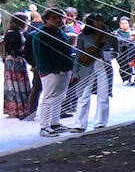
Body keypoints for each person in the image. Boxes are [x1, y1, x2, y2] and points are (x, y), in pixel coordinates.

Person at [33, 9, 74, 137]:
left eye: (60, 18)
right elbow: (40, 56)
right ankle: (44, 126)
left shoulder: (61, 32)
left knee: (60, 97)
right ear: (47, 19)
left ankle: (55, 123)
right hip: (51, 71)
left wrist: (70, 66)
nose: (59, 20)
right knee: (48, 98)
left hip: (65, 68)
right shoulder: (40, 34)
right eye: (55, 18)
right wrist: (51, 69)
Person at [69, 13, 111, 131]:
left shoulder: (108, 36)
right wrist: (75, 72)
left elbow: (116, 52)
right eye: (96, 20)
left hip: (103, 64)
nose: (99, 22)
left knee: (103, 95)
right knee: (83, 95)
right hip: (86, 66)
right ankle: (79, 124)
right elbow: (78, 54)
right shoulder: (83, 36)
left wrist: (109, 54)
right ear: (91, 22)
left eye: (101, 20)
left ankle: (100, 122)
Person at [3, 13, 31, 117]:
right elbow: (13, 50)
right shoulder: (12, 33)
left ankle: (22, 107)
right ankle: (16, 109)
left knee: (19, 84)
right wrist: (25, 52)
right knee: (15, 85)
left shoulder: (18, 32)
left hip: (18, 60)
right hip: (14, 61)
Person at [114, 17, 135, 85]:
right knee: (122, 66)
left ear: (129, 24)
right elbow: (119, 40)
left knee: (130, 65)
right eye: (122, 23)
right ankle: (125, 79)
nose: (124, 25)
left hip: (131, 52)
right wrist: (129, 41)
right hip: (120, 52)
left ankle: (129, 79)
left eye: (126, 23)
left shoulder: (133, 32)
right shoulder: (117, 33)